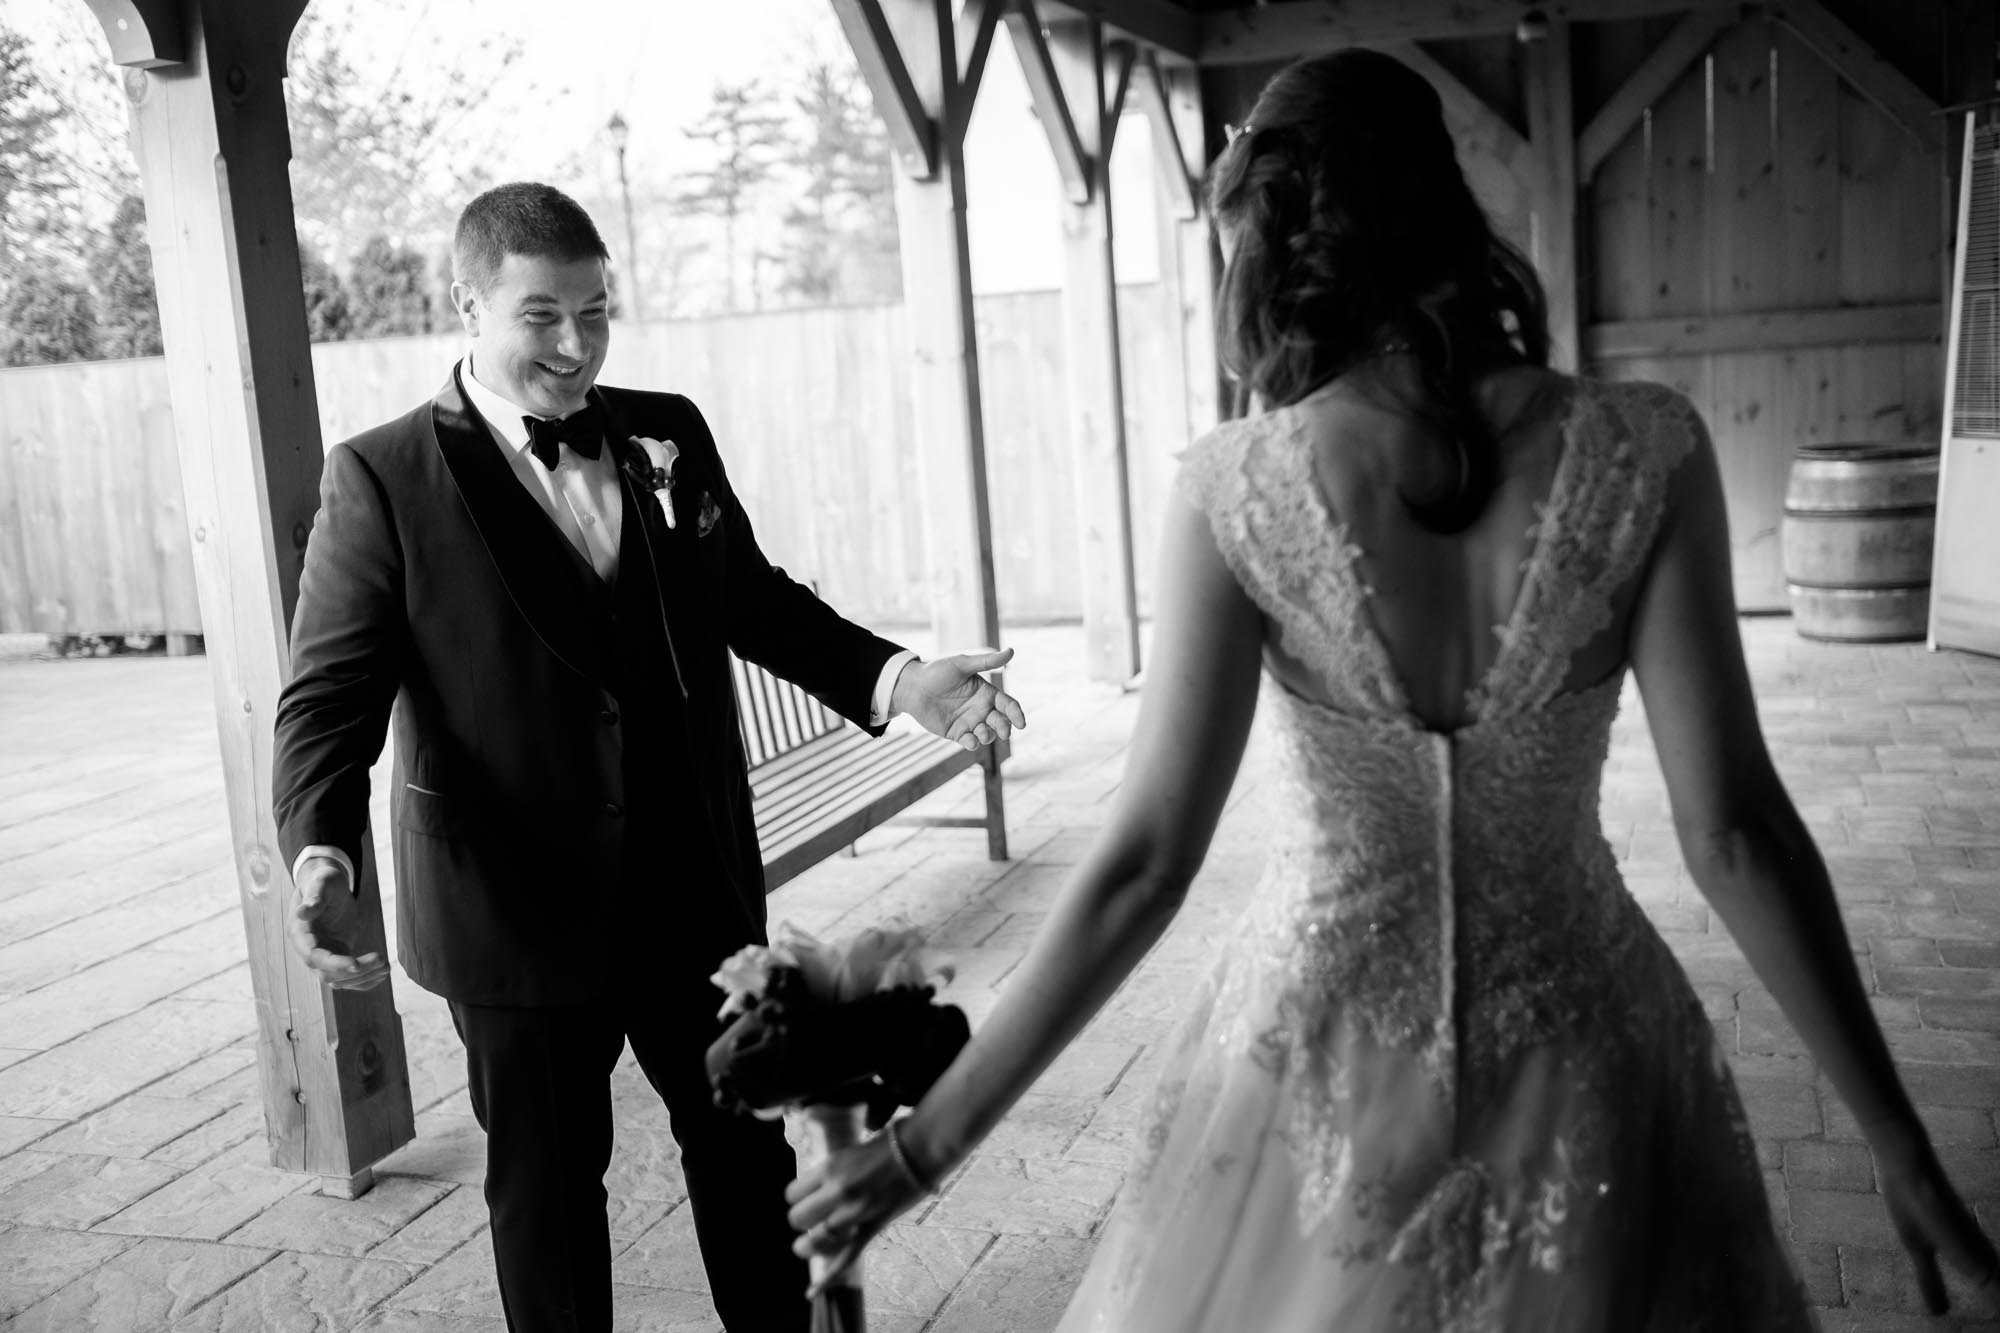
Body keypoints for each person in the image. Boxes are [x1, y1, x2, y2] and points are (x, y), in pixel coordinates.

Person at [783, 50, 2000, 1330]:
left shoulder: (1231, 488)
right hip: (1581, 1047)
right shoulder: (1646, 446)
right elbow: (1735, 833)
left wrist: (923, 1152)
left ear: (1265, 229)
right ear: (1444, 202)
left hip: (1309, 1071)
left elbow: (1141, 866)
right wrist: (1896, 1143)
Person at [271, 181, 1025, 1333]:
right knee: (550, 1197)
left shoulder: (666, 427)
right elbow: (327, 694)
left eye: (596, 310)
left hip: (692, 888)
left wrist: (900, 680)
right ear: (465, 304)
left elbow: (754, 602)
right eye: (540, 316)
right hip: (511, 909)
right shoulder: (381, 476)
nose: (576, 345)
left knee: (744, 1158)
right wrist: (320, 845)